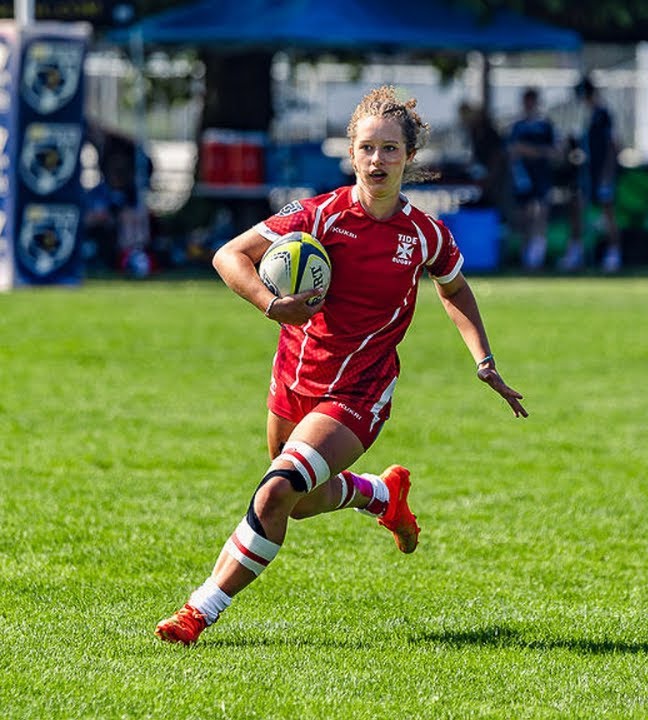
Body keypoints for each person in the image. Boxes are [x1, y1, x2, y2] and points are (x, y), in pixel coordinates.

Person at [155, 85, 528, 646]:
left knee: (275, 492)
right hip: (295, 377)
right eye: (367, 148)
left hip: (360, 389)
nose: (377, 160)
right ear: (351, 154)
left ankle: (197, 611)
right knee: (301, 504)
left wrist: (484, 360)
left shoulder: (425, 233)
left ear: (409, 157)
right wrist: (270, 303)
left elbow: (455, 290)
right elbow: (227, 254)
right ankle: (381, 495)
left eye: (390, 150)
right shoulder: (317, 215)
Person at [561, 75, 623, 273]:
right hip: (587, 174)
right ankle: (576, 252)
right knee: (578, 209)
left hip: (602, 173)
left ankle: (614, 254)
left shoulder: (603, 114)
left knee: (608, 213)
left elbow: (613, 145)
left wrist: (607, 173)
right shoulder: (586, 116)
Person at [508, 87, 557, 270]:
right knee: (524, 216)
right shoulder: (517, 126)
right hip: (522, 178)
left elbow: (554, 152)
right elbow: (511, 151)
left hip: (541, 176)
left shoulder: (545, 126)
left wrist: (531, 151)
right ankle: (526, 253)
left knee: (540, 213)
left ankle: (537, 255)